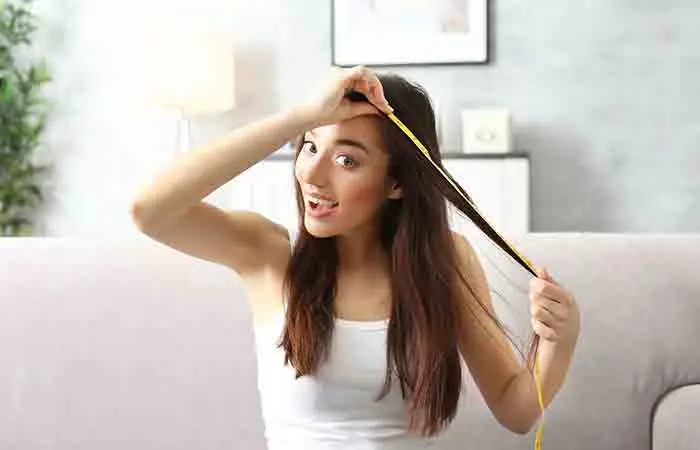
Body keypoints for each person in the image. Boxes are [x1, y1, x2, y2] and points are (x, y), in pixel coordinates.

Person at [130, 65, 580, 449]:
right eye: (309, 146)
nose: (312, 173)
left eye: (346, 160)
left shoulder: (446, 261)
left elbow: (517, 409)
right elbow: (149, 210)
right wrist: (299, 117)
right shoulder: (269, 255)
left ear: (397, 183)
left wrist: (558, 344)